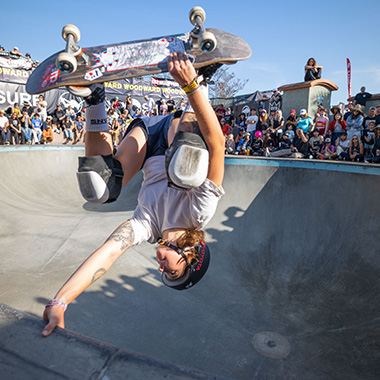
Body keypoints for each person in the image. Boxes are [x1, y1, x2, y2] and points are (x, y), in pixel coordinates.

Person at [42, 52, 225, 337]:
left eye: (164, 275)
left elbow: (108, 253)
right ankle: (201, 77)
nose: (161, 268)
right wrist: (192, 87)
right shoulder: (199, 213)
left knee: (100, 189)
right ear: (191, 254)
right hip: (184, 132)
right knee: (185, 169)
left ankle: (94, 99)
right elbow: (217, 144)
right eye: (171, 272)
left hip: (148, 139)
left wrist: (60, 302)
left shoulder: (145, 228)